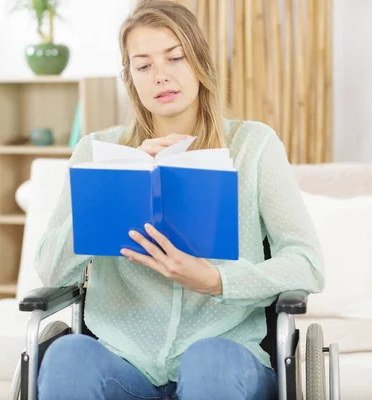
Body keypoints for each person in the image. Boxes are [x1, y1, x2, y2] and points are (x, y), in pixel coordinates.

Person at [34, 1, 325, 399]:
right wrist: (113, 187)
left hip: (225, 361)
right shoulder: (96, 150)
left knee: (209, 362)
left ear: (200, 62)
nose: (162, 76)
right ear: (130, 77)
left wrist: (217, 280)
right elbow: (52, 270)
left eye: (176, 57)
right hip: (124, 363)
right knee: (66, 356)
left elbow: (306, 265)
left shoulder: (253, 146)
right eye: (144, 65)